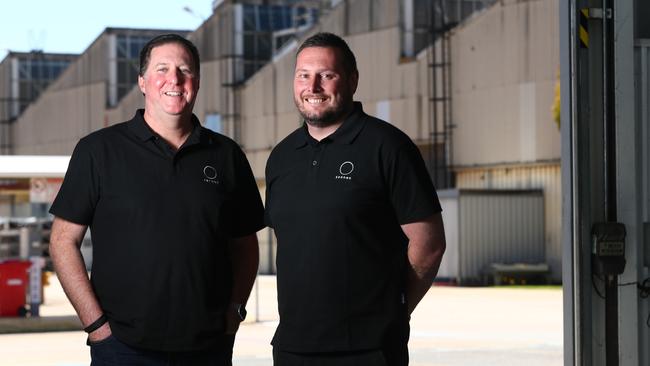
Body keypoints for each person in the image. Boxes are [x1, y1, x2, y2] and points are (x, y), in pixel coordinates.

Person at [49, 34, 264, 365]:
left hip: (208, 347)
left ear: (197, 81)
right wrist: (97, 327)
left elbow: (246, 245)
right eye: (162, 69)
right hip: (122, 347)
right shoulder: (99, 151)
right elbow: (63, 243)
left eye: (184, 69)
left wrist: (234, 312)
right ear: (143, 82)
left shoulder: (226, 155)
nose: (174, 79)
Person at [265, 32, 447, 366]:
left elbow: (429, 243)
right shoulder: (282, 157)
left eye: (327, 75)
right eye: (304, 75)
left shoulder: (388, 147)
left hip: (368, 350)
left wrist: (396, 307)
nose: (313, 86)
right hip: (293, 349)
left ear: (352, 80)